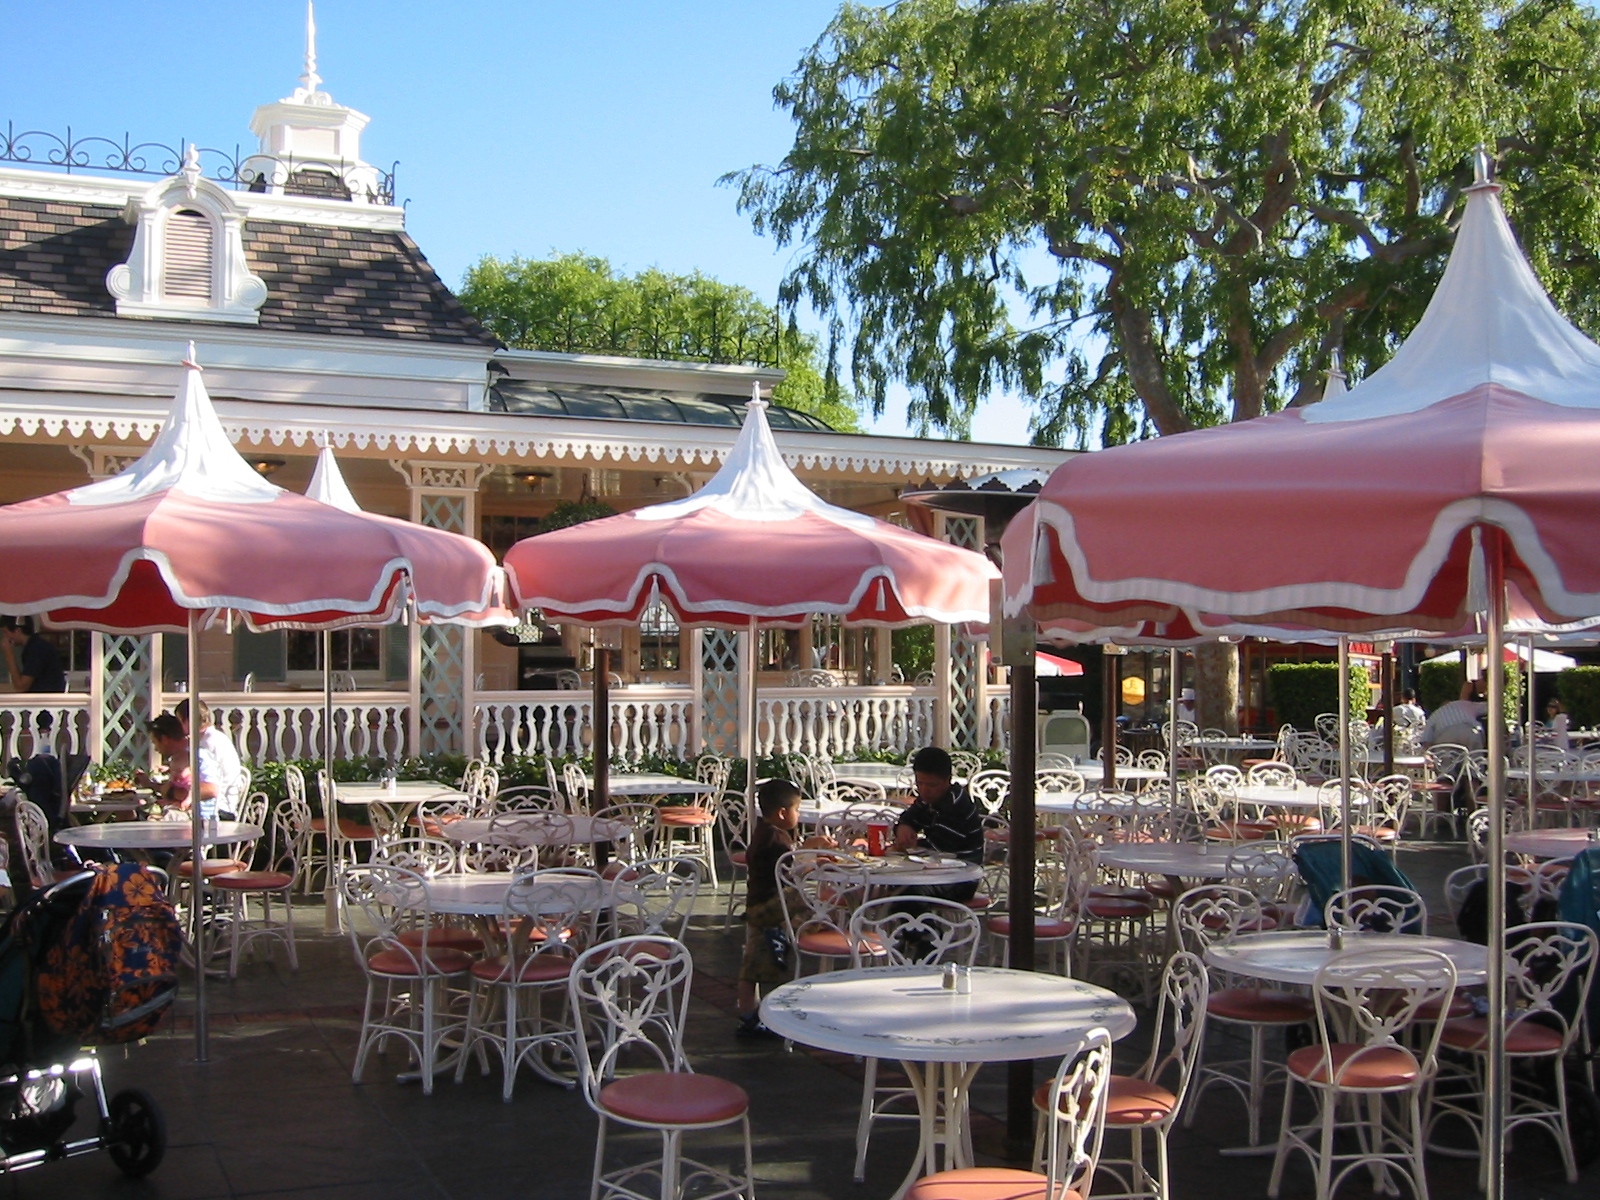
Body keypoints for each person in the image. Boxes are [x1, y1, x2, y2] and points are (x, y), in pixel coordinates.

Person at [736, 778, 804, 1038]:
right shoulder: (774, 840)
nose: (798, 814)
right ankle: (752, 1016)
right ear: (783, 813)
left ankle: (749, 1012)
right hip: (768, 907)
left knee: (754, 962)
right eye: (797, 809)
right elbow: (791, 868)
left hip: (759, 903)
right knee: (754, 964)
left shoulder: (764, 831)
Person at [894, 746, 984, 903]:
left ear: (947, 781)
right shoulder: (928, 799)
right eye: (919, 783)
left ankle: (927, 927)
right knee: (891, 889)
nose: (924, 790)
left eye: (931, 785)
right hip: (933, 871)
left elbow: (938, 847)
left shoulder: (957, 805)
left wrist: (907, 846)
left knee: (907, 896)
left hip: (960, 877)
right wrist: (904, 826)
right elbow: (911, 817)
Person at [176, 699, 244, 820]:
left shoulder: (208, 743)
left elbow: (209, 786)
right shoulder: (210, 737)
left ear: (188, 720)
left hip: (219, 809)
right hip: (216, 803)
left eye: (180, 721)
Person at [0, 617, 66, 693]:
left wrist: (9, 655)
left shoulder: (37, 649)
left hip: (46, 700)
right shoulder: (33, 646)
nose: (5, 637)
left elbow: (21, 687)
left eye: (5, 632)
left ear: (18, 631)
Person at [1422, 680, 1490, 749]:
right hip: (1469, 731)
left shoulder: (1435, 715)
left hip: (1445, 737)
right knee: (1475, 758)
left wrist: (1428, 753)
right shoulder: (1463, 704)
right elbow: (1490, 707)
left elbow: (1426, 739)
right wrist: (1487, 695)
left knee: (1445, 757)